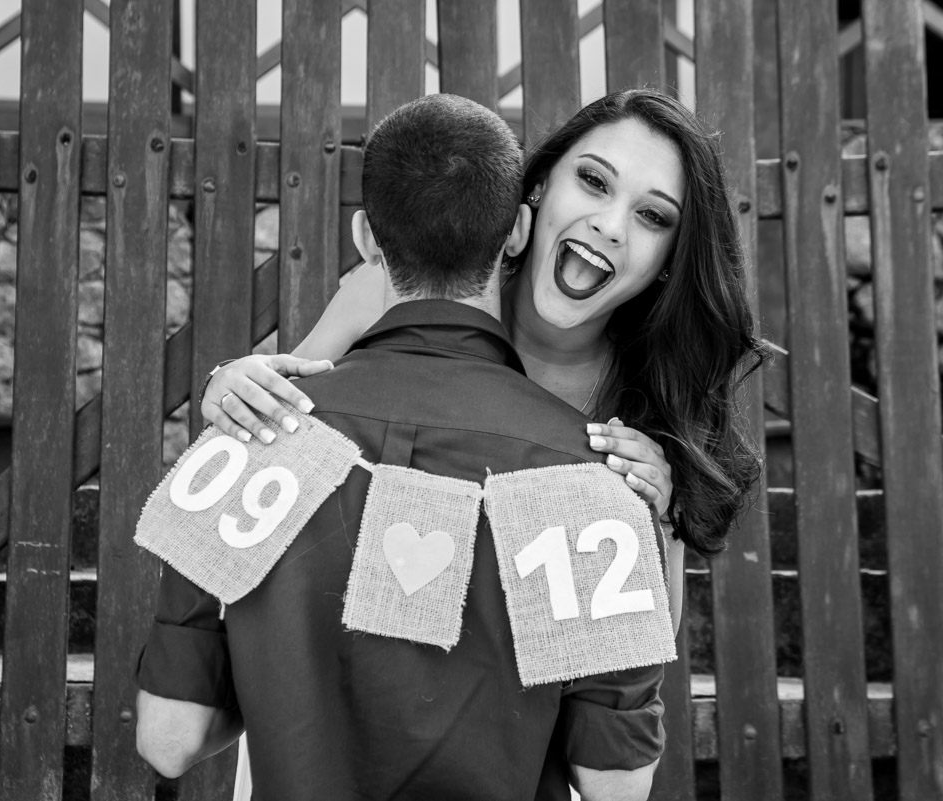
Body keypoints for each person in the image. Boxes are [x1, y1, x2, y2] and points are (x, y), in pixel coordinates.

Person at [135, 93, 667, 801]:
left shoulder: (256, 439)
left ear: (364, 238)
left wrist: (285, 684)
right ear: (516, 233)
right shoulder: (598, 480)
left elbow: (168, 741)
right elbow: (617, 787)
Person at [203, 89, 769, 616]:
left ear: (671, 257)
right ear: (537, 190)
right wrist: (233, 383)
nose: (611, 225)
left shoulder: (650, 397)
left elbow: (646, 648)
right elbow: (277, 426)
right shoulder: (393, 292)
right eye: (594, 181)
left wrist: (659, 514)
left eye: (653, 216)